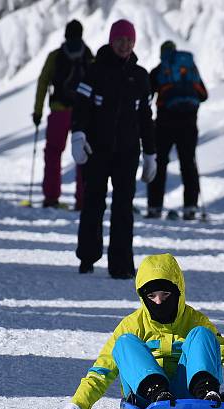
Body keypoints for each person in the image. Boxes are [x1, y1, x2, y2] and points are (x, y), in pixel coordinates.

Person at [41, 253, 224, 409]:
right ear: (142, 297)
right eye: (151, 295)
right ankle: (158, 393)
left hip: (193, 393)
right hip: (149, 399)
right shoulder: (132, 324)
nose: (158, 302)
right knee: (124, 343)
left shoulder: (195, 320)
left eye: (166, 294)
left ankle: (207, 392)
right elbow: (102, 371)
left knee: (202, 335)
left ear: (178, 292)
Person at [71, 19, 156, 279]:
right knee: (94, 202)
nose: (125, 45)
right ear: (111, 41)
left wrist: (150, 153)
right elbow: (81, 107)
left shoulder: (140, 76)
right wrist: (77, 134)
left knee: (123, 207)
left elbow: (145, 117)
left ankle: (121, 265)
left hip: (127, 153)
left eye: (129, 41)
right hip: (97, 151)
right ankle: (87, 256)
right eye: (120, 40)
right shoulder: (94, 72)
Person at [32, 20, 93, 210]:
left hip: (59, 110)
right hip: (83, 113)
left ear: (66, 34)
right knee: (83, 155)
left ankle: (51, 197)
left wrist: (38, 111)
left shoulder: (56, 56)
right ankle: (83, 200)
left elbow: (43, 83)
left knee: (53, 154)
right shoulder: (88, 54)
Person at [146, 41, 208, 220]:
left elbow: (147, 96)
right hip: (189, 124)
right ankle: (190, 207)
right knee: (188, 164)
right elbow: (203, 95)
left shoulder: (159, 71)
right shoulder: (189, 68)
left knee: (160, 164)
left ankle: (155, 207)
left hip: (164, 124)